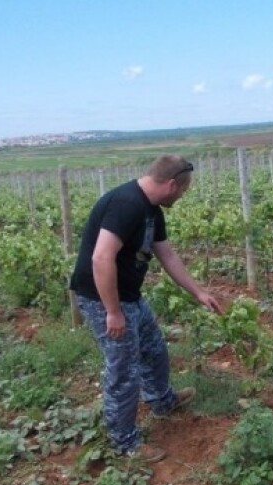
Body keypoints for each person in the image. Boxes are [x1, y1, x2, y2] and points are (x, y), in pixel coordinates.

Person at [69, 154, 223, 463]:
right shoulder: (126, 204)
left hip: (129, 296)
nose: (182, 196)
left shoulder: (152, 210)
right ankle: (125, 443)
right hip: (102, 298)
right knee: (124, 369)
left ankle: (162, 401)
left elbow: (168, 256)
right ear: (170, 185)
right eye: (182, 191)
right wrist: (113, 312)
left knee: (153, 348)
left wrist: (198, 292)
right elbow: (101, 258)